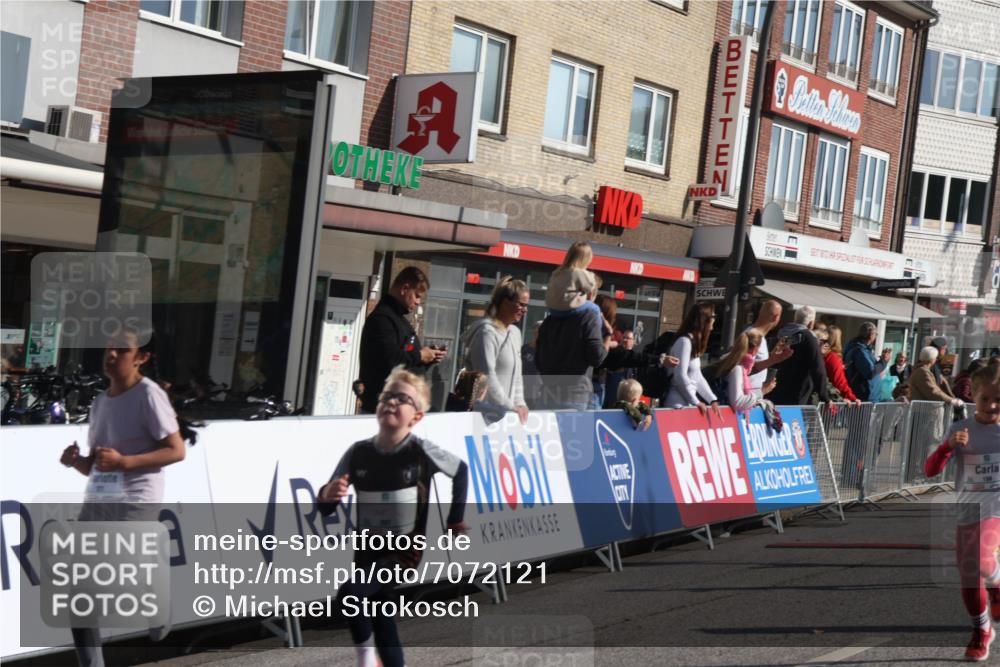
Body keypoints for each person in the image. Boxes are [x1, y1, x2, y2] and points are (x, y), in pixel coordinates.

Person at [317, 367, 469, 667]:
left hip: (403, 553)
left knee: (350, 594)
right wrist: (327, 494)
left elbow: (461, 470)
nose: (392, 402)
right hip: (366, 550)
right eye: (388, 396)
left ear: (417, 417)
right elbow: (326, 505)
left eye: (403, 399)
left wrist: (454, 519)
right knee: (382, 618)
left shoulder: (421, 451)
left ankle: (366, 661)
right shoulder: (358, 452)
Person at [58, 326, 187, 667]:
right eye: (109, 348)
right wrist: (78, 462)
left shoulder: (149, 394)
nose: (111, 355)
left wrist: (126, 462)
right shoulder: (100, 403)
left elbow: (176, 451)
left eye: (122, 350)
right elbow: (100, 465)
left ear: (142, 357)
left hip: (136, 500)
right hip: (100, 500)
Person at [924, 360, 1000, 661]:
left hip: (997, 509)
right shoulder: (960, 429)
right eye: (985, 399)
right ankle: (982, 630)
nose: (992, 405)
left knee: (980, 561)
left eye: (999, 399)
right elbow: (930, 470)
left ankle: (997, 581)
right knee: (969, 576)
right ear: (974, 397)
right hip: (967, 510)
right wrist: (946, 447)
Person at [358, 267, 445, 413]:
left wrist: (428, 358)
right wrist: (420, 355)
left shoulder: (398, 320)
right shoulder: (382, 319)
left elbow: (407, 365)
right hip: (385, 408)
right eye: (417, 296)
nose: (418, 302)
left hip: (402, 403)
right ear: (405, 289)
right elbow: (390, 359)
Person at [459, 276, 530, 424]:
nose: (525, 310)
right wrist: (510, 406)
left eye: (526, 305)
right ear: (505, 303)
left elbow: (517, 376)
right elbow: (487, 375)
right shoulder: (487, 332)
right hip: (482, 416)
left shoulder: (515, 333)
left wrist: (520, 404)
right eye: (521, 305)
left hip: (505, 416)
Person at [535, 275, 610, 410]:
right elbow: (597, 357)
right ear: (591, 294)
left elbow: (539, 361)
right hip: (574, 395)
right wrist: (608, 337)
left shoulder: (550, 320)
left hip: (547, 394)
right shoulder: (589, 317)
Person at [769, 306, 831, 406]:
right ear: (811, 323)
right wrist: (824, 396)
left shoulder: (779, 334)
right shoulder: (808, 337)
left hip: (774, 389)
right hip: (797, 392)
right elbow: (818, 367)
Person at [666, 303, 721, 414]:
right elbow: (680, 376)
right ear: (704, 319)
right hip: (677, 405)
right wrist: (696, 401)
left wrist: (712, 399)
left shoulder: (692, 342)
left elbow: (697, 376)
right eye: (713, 316)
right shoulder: (684, 342)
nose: (715, 319)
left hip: (687, 403)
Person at [710, 329, 768, 414]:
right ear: (755, 350)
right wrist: (762, 391)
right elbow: (737, 402)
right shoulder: (737, 369)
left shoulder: (732, 362)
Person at [745, 299, 792, 398]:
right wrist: (772, 360)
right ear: (776, 318)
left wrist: (772, 356)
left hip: (751, 398)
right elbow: (743, 369)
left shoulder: (758, 336)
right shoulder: (753, 336)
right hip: (745, 401)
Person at [544, 241, 600, 318]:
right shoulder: (579, 272)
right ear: (586, 259)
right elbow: (591, 286)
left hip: (552, 309)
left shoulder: (557, 271)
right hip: (568, 309)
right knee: (596, 308)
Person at [843, 322, 891, 403]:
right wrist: (884, 361)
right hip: (864, 398)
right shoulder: (860, 351)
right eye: (876, 334)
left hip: (869, 396)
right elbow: (870, 372)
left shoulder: (864, 349)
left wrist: (882, 360)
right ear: (870, 335)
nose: (876, 337)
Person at [820, 326, 860, 403]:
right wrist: (852, 397)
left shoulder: (822, 356)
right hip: (830, 402)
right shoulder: (832, 358)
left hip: (821, 400)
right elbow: (839, 382)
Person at [521, 320, 544, 408]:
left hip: (539, 391)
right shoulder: (525, 348)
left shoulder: (548, 351)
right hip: (523, 389)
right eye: (536, 328)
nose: (538, 331)